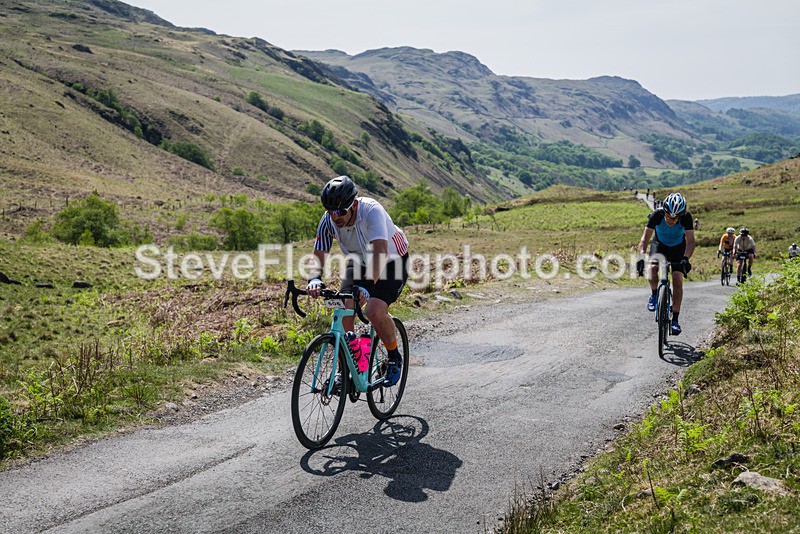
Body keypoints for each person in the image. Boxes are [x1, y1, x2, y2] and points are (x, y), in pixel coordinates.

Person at [306, 176, 410, 386]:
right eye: (330, 211)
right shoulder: (328, 221)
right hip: (360, 261)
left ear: (354, 205)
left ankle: (393, 356)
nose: (335, 217)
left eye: (340, 212)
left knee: (374, 311)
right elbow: (319, 253)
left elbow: (380, 251)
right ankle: (348, 368)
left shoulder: (371, 211)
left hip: (392, 260)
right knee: (345, 308)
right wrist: (314, 278)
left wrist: (367, 287)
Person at [636, 192, 695, 335]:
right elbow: (644, 239)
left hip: (678, 248)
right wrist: (641, 256)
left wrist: (685, 258)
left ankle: (675, 320)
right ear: (665, 212)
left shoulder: (686, 217)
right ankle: (654, 294)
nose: (671, 220)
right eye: (668, 216)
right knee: (652, 268)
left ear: (680, 215)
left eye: (675, 218)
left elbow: (691, 242)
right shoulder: (657, 215)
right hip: (659, 245)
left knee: (677, 279)